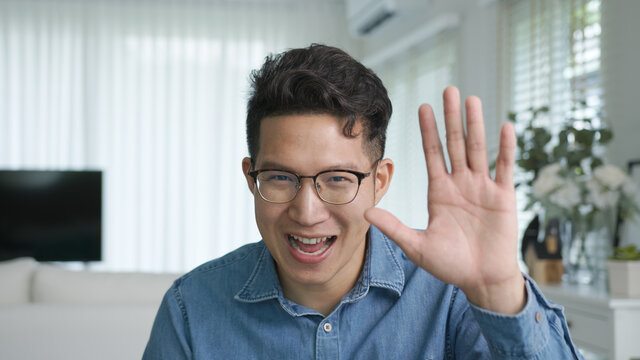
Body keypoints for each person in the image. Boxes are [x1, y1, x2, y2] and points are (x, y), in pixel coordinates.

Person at [143, 44, 583, 359]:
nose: (307, 212)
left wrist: (499, 291)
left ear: (380, 180)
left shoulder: (451, 298)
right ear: (250, 176)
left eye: (337, 179)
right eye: (280, 177)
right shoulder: (191, 309)